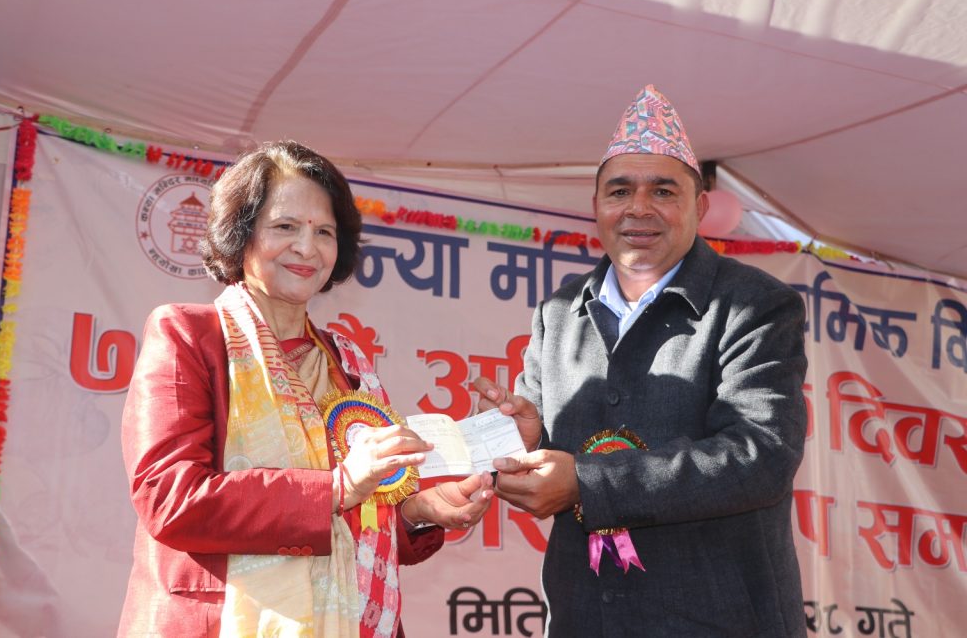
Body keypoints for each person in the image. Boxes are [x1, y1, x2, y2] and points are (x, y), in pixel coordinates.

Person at [119, 140, 494, 638]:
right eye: (285, 227)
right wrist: (338, 488)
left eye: (324, 232)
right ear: (240, 235)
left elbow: (363, 526)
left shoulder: (347, 363)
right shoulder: (188, 335)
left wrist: (420, 511)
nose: (306, 247)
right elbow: (171, 498)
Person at [475, 85, 808, 637]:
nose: (638, 208)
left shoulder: (755, 304)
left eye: (663, 190)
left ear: (700, 207)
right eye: (620, 190)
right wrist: (527, 440)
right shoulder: (558, 314)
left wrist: (587, 483)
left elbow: (761, 455)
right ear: (596, 207)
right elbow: (547, 454)